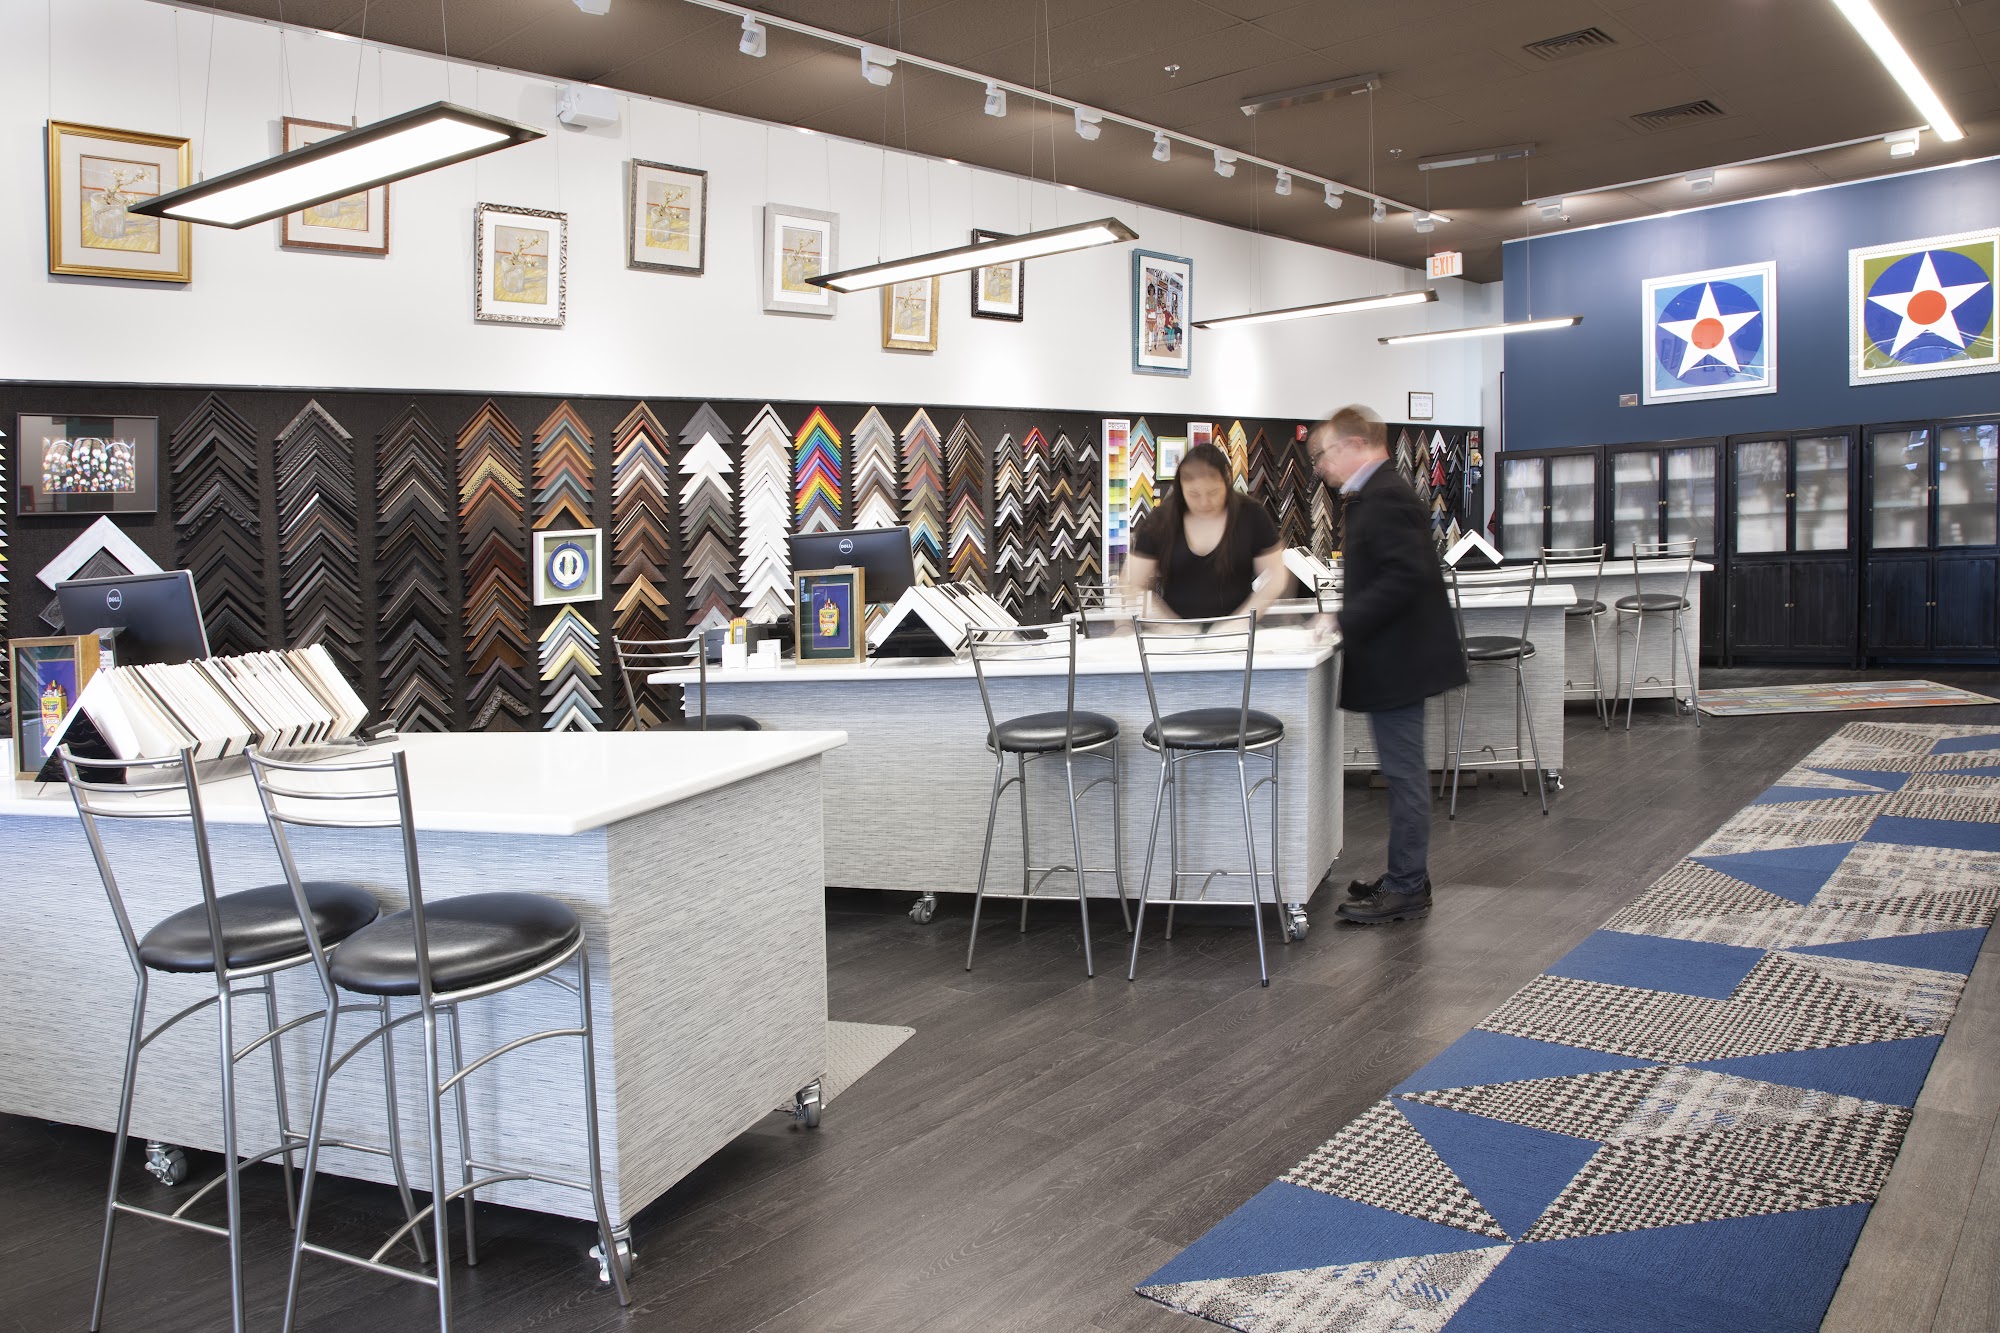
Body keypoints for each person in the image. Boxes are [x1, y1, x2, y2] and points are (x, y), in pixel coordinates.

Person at [1308, 405, 1465, 924]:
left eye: (1326, 452)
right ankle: (1407, 875)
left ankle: (1407, 886)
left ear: (1355, 444)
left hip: (1401, 659)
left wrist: (1342, 618)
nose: (1321, 465)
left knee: (1404, 776)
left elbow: (1403, 578)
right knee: (1402, 774)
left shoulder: (1386, 496)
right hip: (1397, 657)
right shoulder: (1376, 494)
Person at [1121, 441, 1288, 622]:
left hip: (1239, 633)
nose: (1204, 502)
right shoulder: (1159, 521)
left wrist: (1241, 621)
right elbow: (1131, 585)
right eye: (1193, 494)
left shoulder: (1252, 514)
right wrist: (1168, 625)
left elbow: (1275, 576)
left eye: (1213, 492)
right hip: (1173, 633)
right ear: (1181, 487)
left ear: (1227, 480)